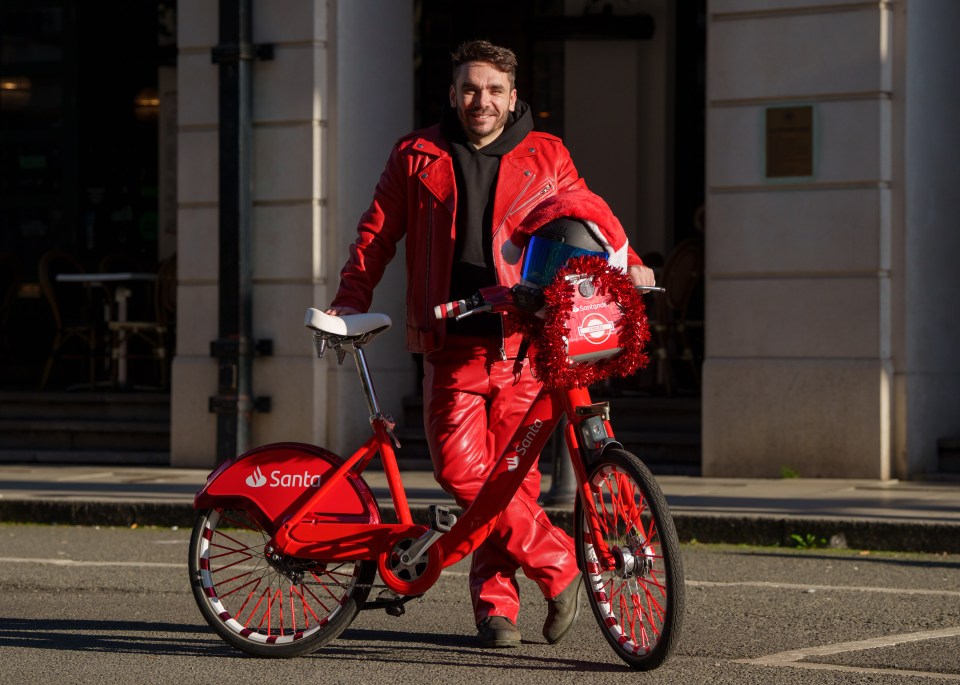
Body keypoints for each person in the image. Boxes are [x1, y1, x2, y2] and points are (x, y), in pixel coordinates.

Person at [326, 39, 654, 648]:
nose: (482, 100)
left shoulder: (546, 153)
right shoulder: (417, 153)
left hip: (523, 341)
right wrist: (351, 297)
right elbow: (376, 234)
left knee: (514, 484)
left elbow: (590, 214)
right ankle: (559, 566)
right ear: (452, 93)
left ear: (513, 96)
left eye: (494, 90)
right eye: (470, 89)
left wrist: (629, 263)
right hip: (450, 339)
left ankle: (495, 611)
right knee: (460, 469)